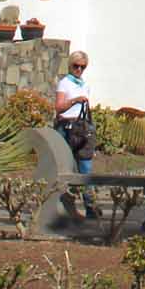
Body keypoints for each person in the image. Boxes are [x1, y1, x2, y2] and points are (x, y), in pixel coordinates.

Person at [54, 51, 94, 210]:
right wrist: (74, 100)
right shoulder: (64, 83)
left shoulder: (85, 84)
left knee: (86, 167)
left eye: (82, 67)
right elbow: (58, 108)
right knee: (63, 167)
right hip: (66, 127)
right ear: (70, 65)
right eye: (76, 66)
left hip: (82, 127)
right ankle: (60, 205)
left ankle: (90, 206)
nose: (79, 70)